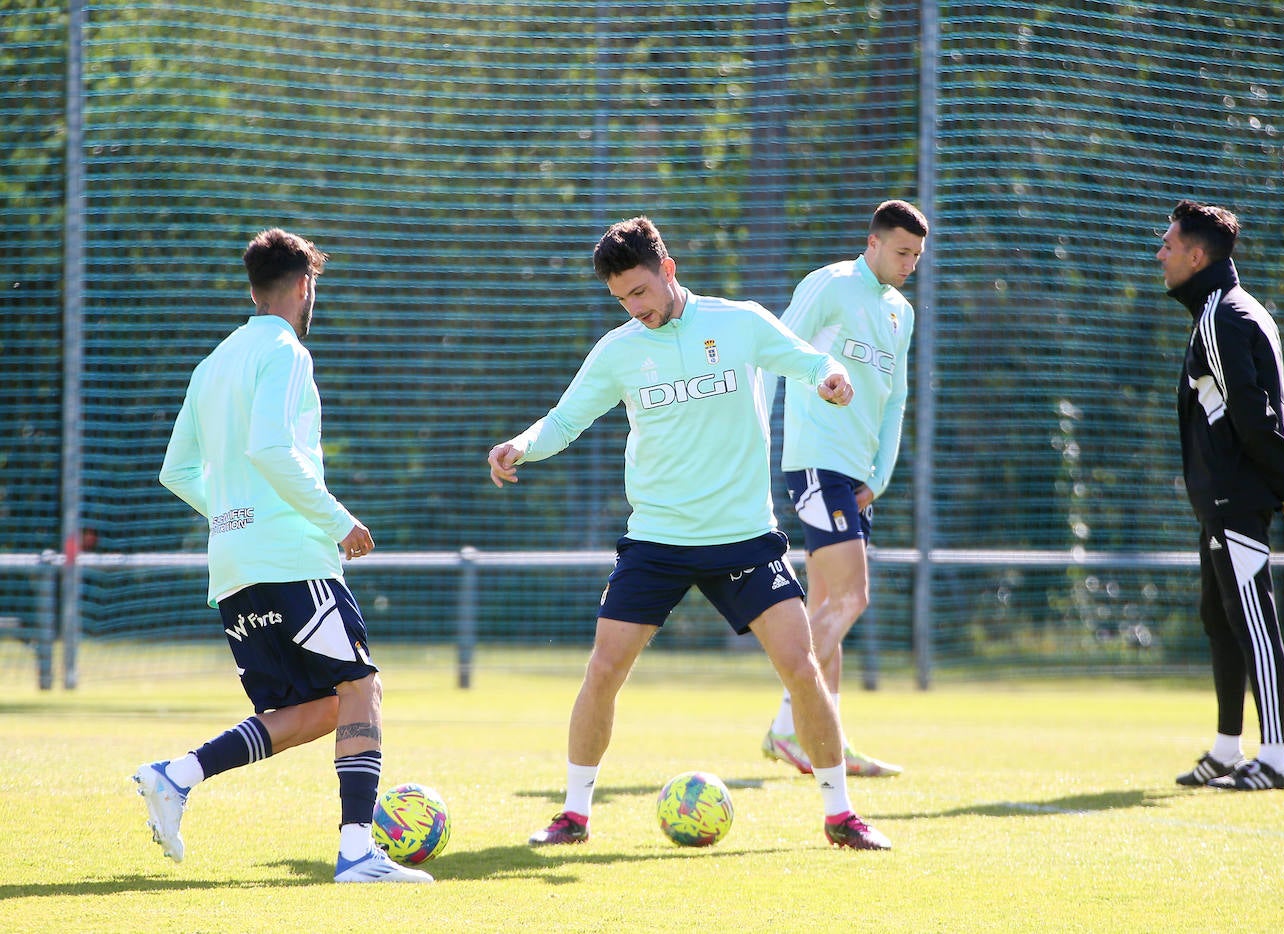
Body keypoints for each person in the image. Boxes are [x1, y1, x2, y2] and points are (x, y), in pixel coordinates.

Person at [488, 216, 891, 850]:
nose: (635, 308)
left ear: (668, 270)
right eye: (622, 299)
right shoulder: (620, 349)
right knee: (603, 671)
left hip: (743, 538)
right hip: (657, 542)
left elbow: (808, 360)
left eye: (641, 292)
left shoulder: (739, 322)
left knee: (802, 668)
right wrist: (522, 445)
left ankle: (841, 814)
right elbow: (565, 420)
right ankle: (573, 815)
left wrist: (829, 379)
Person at [137, 228, 432, 882]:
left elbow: (177, 471)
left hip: (236, 564)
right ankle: (357, 851)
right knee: (362, 687)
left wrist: (234, 518)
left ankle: (176, 775)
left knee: (325, 706)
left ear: (252, 287)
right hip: (291, 558)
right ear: (304, 286)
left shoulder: (213, 363)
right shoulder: (286, 351)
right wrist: (338, 521)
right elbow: (272, 448)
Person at [1158, 199, 1284, 792]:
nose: (1161, 254)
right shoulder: (1237, 308)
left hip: (1236, 499)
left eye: (1169, 246)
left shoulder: (1221, 317)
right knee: (1221, 618)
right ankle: (1229, 748)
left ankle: (1275, 757)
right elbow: (1270, 409)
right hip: (1223, 502)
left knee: (1254, 622)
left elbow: (1255, 417)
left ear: (1197, 256)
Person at [761, 199, 928, 779]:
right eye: (902, 252)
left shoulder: (900, 313)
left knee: (831, 606)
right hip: (814, 463)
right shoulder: (830, 285)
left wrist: (878, 476)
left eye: (917, 256)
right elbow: (773, 354)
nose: (910, 264)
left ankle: (824, 739)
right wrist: (754, 441)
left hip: (856, 476)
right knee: (853, 598)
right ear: (874, 243)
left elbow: (897, 398)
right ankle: (788, 722)